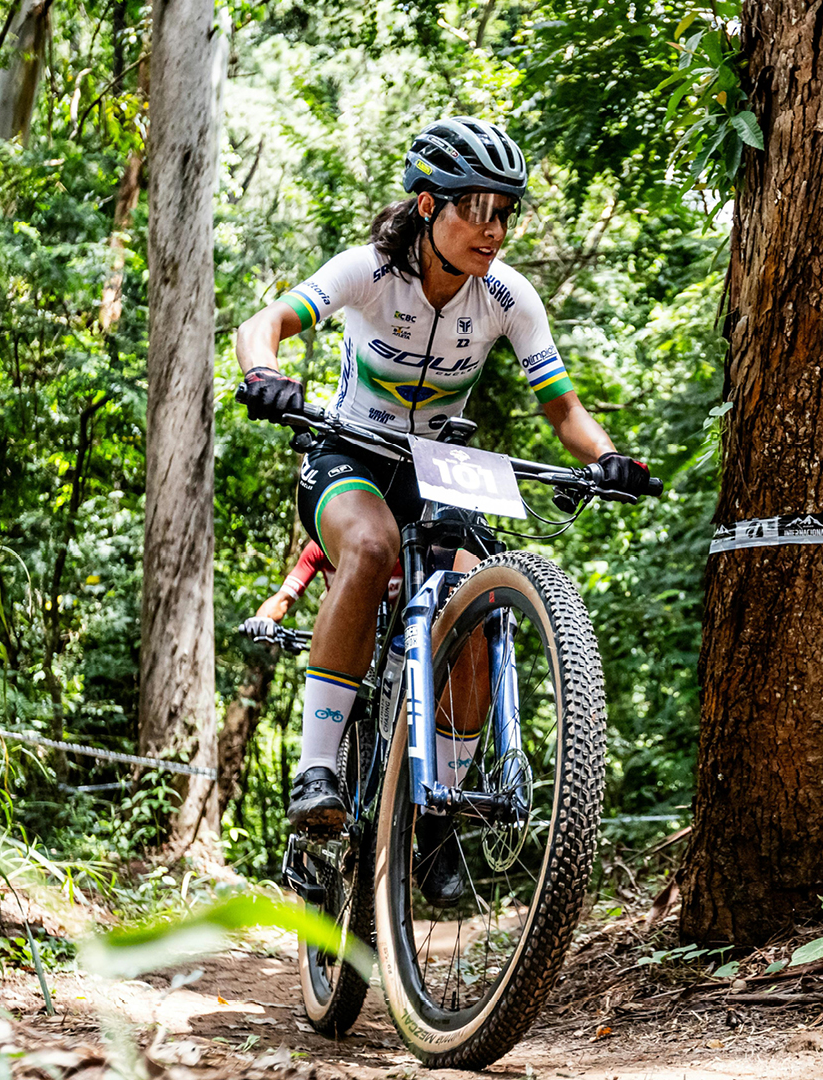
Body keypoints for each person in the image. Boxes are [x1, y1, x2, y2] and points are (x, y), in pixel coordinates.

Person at [233, 117, 650, 904]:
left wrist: (607, 460)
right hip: (350, 453)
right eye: (475, 210)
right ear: (428, 206)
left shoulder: (506, 297)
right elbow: (264, 326)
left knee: (479, 606)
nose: (492, 231)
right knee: (370, 546)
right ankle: (316, 768)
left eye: (505, 214)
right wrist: (266, 373)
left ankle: (440, 819)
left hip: (444, 471)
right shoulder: (369, 271)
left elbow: (563, 411)